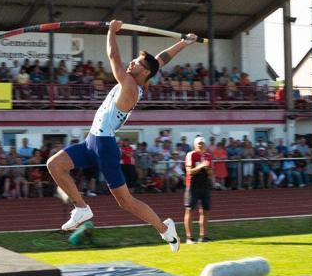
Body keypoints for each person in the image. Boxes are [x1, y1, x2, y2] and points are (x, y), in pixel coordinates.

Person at [47, 20, 199, 250]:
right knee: (55, 164)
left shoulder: (129, 85)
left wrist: (111, 31)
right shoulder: (141, 76)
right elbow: (161, 59)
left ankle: (165, 229)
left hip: (104, 147)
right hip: (91, 142)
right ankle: (81, 208)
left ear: (144, 72)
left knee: (125, 201)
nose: (131, 63)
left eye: (136, 62)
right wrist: (184, 43)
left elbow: (113, 56)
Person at [183, 136, 213, 243]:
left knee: (205, 211)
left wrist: (207, 169)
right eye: (199, 143)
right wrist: (201, 166)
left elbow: (211, 173)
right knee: (190, 210)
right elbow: (189, 171)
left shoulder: (208, 156)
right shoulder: (191, 155)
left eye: (202, 143)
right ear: (195, 145)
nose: (201, 145)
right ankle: (189, 237)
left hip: (205, 186)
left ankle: (203, 236)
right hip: (193, 186)